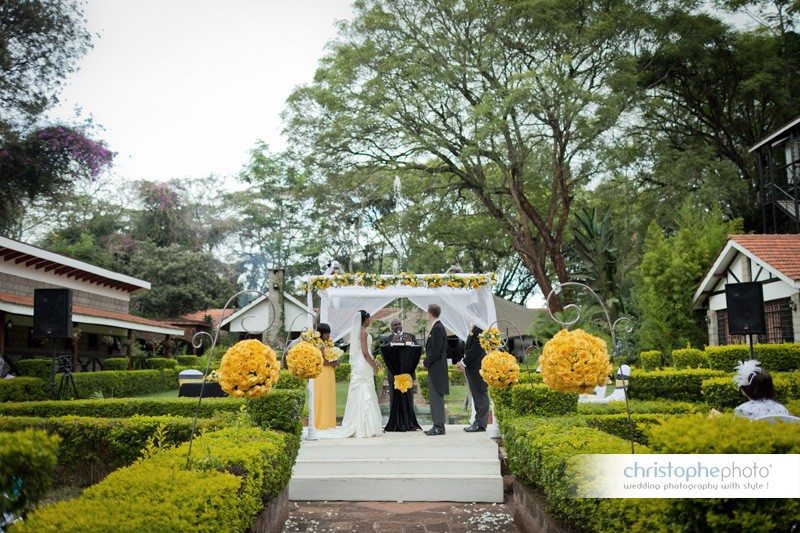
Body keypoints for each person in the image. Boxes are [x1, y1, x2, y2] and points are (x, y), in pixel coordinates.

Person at [319, 310, 383, 438]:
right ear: (365, 319)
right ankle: (364, 426)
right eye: (369, 319)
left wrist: (374, 360)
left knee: (361, 391)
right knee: (365, 391)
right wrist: (374, 366)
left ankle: (362, 424)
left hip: (360, 363)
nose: (370, 321)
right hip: (363, 363)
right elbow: (365, 353)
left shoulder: (358, 332)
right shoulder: (363, 332)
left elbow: (366, 351)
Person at [457, 325, 489, 432]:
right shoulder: (475, 328)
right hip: (472, 366)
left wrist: (464, 362)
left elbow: (476, 348)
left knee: (480, 393)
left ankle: (480, 423)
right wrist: (463, 360)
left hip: (477, 366)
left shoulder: (480, 328)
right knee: (476, 394)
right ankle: (478, 421)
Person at [423, 304, 448, 436]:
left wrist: (425, 362)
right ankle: (437, 425)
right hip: (436, 368)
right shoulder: (437, 327)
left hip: (436, 369)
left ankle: (439, 426)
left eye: (427, 312)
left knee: (436, 398)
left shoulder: (437, 328)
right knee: (435, 398)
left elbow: (436, 352)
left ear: (430, 313)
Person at [314, 323, 338, 430]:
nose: (329, 336)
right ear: (322, 334)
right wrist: (334, 362)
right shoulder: (318, 344)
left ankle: (329, 422)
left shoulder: (327, 342)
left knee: (329, 396)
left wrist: (336, 360)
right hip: (322, 373)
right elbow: (323, 361)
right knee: (322, 396)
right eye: (327, 334)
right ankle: (321, 422)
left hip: (329, 373)